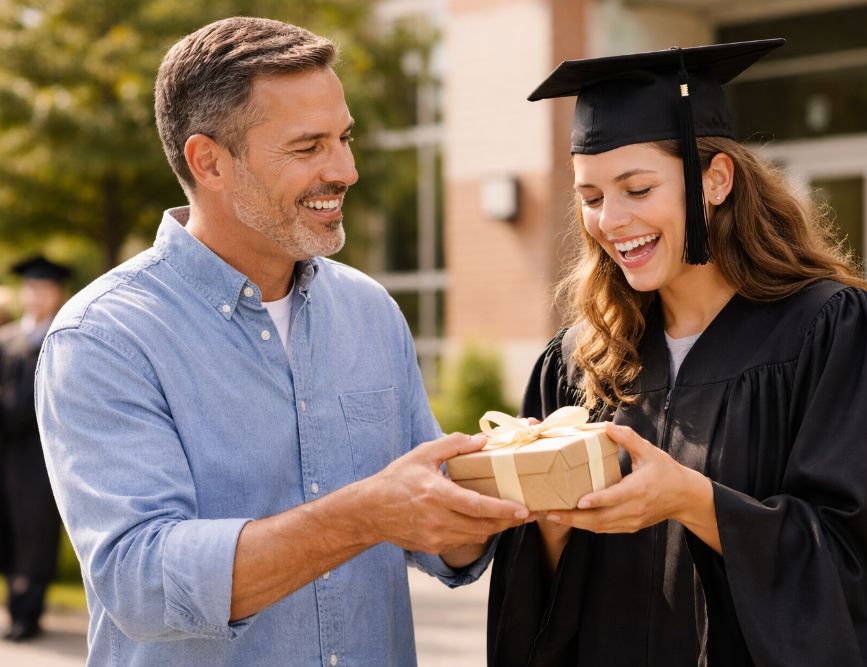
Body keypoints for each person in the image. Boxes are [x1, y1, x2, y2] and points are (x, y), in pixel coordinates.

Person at [34, 16, 527, 666]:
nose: (346, 170)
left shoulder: (370, 312)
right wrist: (362, 515)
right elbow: (142, 583)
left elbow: (433, 537)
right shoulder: (103, 337)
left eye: (344, 138)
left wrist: (509, 485)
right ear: (209, 161)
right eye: (308, 147)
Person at [487, 39, 867, 666]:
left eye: (638, 189)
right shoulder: (580, 363)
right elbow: (530, 603)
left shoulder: (832, 333)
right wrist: (548, 515)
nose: (611, 220)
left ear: (717, 179)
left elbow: (866, 568)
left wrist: (692, 500)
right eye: (591, 198)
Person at [0, 256, 71, 641]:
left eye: (44, 288)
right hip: (6, 454)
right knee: (9, 531)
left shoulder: (63, 338)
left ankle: (29, 613)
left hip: (41, 457)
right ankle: (14, 607)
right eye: (31, 287)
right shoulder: (6, 339)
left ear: (58, 294)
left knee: (36, 532)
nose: (36, 295)